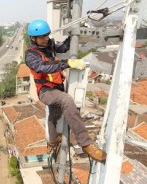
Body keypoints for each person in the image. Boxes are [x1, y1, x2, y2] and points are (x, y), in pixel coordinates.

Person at [25, 19, 106, 163]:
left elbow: (64, 47)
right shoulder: (31, 55)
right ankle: (85, 143)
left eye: (47, 35)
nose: (46, 39)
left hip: (56, 87)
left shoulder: (49, 45)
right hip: (45, 90)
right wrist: (66, 63)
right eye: (42, 37)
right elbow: (43, 67)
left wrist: (75, 33)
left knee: (54, 113)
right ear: (33, 38)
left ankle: (52, 140)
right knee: (66, 100)